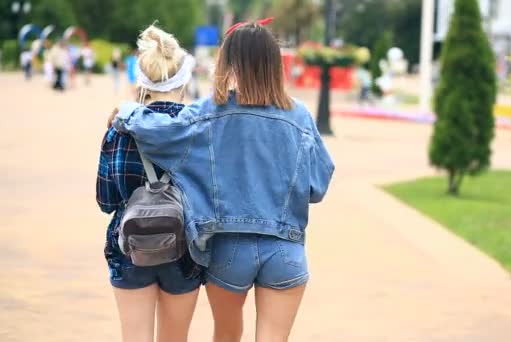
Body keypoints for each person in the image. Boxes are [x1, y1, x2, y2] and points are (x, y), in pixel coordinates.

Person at [111, 19, 335, 342]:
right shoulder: (299, 116)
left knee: (227, 335)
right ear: (275, 65)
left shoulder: (211, 111)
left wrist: (127, 110)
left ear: (228, 62)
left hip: (229, 248)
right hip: (286, 249)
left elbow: (158, 131)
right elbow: (318, 186)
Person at [96, 25, 203, 342]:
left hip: (130, 247)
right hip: (184, 250)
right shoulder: (198, 132)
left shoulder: (118, 130)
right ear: (184, 81)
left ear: (142, 82)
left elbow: (105, 201)